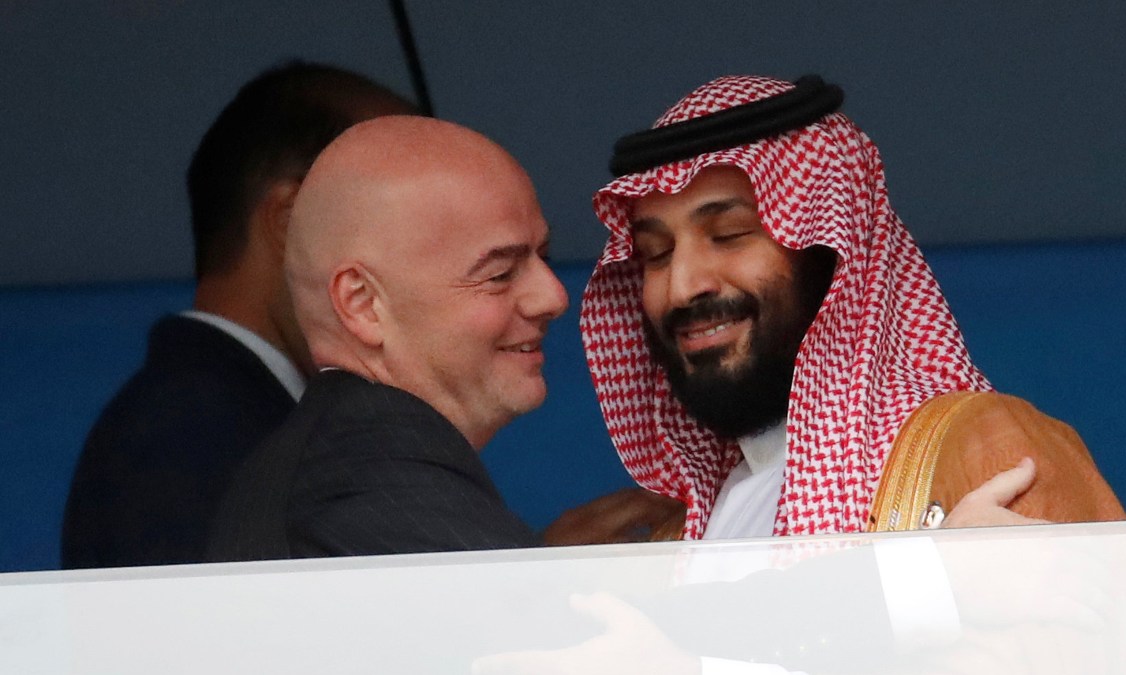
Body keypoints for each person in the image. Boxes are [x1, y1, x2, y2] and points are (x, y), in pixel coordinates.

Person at [579, 74, 1126, 541]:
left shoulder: (982, 449)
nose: (682, 287)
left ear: (834, 254)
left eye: (730, 234)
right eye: (655, 254)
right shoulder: (685, 533)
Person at [206, 115, 679, 561]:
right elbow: (526, 643)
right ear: (363, 303)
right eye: (499, 273)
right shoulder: (374, 477)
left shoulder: (334, 463)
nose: (553, 296)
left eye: (543, 256)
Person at [61, 61, 421, 568]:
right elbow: (220, 643)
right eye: (407, 222)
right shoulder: (188, 435)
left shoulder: (226, 418)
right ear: (293, 222)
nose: (425, 263)